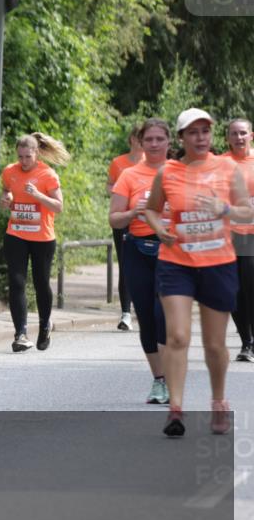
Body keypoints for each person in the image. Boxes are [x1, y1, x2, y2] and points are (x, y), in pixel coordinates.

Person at [143, 108, 253, 437]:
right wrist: (159, 228)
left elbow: (248, 210)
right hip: (176, 262)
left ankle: (218, 400)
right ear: (181, 138)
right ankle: (176, 410)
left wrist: (225, 209)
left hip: (218, 264)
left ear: (211, 135)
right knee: (177, 336)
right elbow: (150, 209)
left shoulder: (227, 168)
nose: (200, 137)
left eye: (205, 131)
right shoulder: (168, 172)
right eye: (193, 132)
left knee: (215, 344)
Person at [109, 119, 172, 404]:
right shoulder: (129, 175)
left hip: (172, 252)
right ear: (141, 142)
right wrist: (135, 211)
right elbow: (114, 218)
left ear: (169, 142)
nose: (155, 144)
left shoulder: (180, 174)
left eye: (160, 139)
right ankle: (159, 381)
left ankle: (172, 376)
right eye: (150, 139)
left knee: (164, 317)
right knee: (146, 318)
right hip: (137, 250)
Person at [0, 132, 70, 352]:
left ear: (36, 153)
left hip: (42, 237)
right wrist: (6, 199)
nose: (23, 161)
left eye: (28, 157)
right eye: (20, 156)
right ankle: (20, 333)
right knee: (17, 282)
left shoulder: (48, 175)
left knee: (41, 283)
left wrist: (38, 195)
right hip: (16, 233)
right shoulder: (10, 171)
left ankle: (44, 325)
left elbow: (58, 206)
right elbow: (7, 193)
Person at [108, 127, 144, 331]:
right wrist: (121, 194)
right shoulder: (118, 163)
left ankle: (146, 307)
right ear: (131, 139)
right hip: (123, 219)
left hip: (146, 220)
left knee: (148, 263)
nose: (141, 142)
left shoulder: (153, 162)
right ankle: (126, 314)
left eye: (144, 138)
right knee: (126, 264)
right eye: (138, 138)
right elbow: (109, 185)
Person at [225, 118, 254, 362]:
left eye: (243, 133)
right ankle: (246, 340)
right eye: (234, 133)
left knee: (251, 287)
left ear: (251, 135)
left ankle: (251, 341)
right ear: (227, 138)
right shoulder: (221, 164)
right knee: (233, 291)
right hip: (228, 235)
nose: (239, 138)